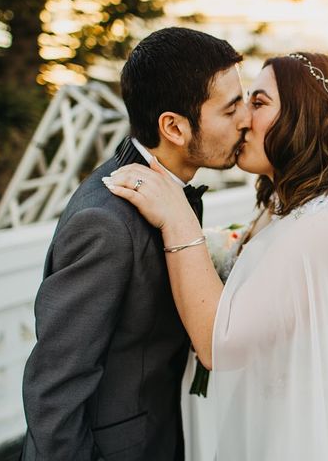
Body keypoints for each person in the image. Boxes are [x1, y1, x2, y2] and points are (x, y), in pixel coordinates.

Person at [104, 52, 328, 460]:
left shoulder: (327, 224)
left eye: (259, 103)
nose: (243, 118)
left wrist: (178, 218)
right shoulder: (289, 204)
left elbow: (217, 344)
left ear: (306, 117)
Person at [20, 27, 250, 461]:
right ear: (174, 128)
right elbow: (55, 385)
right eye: (230, 108)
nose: (245, 120)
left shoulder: (167, 191)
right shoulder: (105, 222)